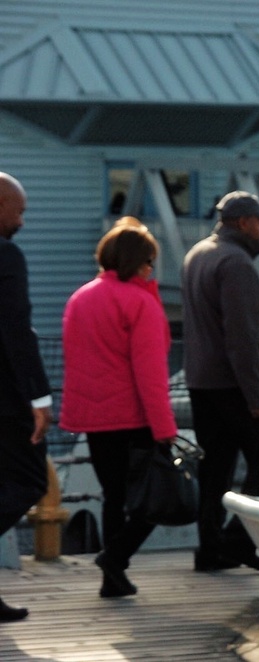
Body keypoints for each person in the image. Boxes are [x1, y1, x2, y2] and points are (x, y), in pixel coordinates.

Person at [60, 217, 178, 598]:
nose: (150, 268)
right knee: (155, 499)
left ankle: (112, 576)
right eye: (148, 261)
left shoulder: (80, 298)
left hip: (95, 420)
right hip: (134, 418)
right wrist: (165, 430)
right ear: (136, 262)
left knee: (113, 496)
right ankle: (115, 558)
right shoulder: (140, 302)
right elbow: (150, 374)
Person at [182, 191, 259, 572]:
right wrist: (256, 394)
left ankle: (210, 548)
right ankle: (237, 540)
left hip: (202, 383)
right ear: (244, 222)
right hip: (237, 386)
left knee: (216, 467)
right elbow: (242, 336)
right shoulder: (236, 263)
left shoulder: (198, 254)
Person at [0, 172, 52, 622]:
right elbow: (16, 328)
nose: (21, 221)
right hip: (7, 397)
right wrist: (39, 398)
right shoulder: (6, 255)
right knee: (29, 479)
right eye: (18, 212)